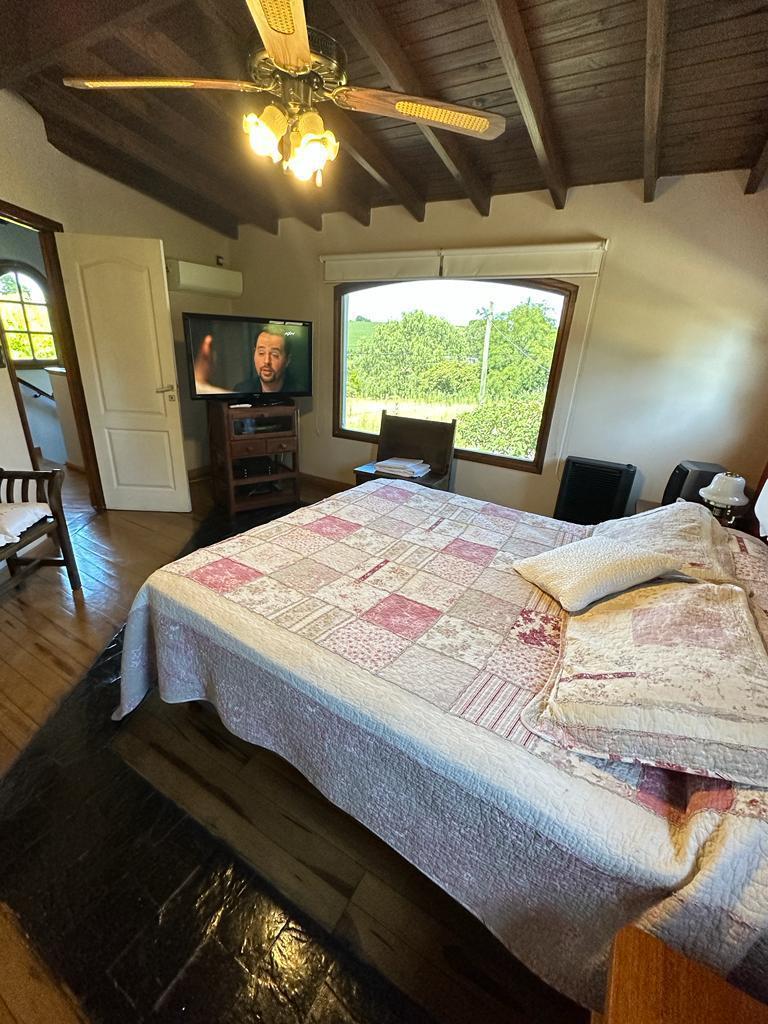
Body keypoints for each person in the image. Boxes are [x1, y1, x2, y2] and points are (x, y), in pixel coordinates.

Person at [193, 325, 295, 394]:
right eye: (261, 353)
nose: (266, 361)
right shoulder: (242, 390)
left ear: (287, 360)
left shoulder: (296, 391)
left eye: (274, 354)